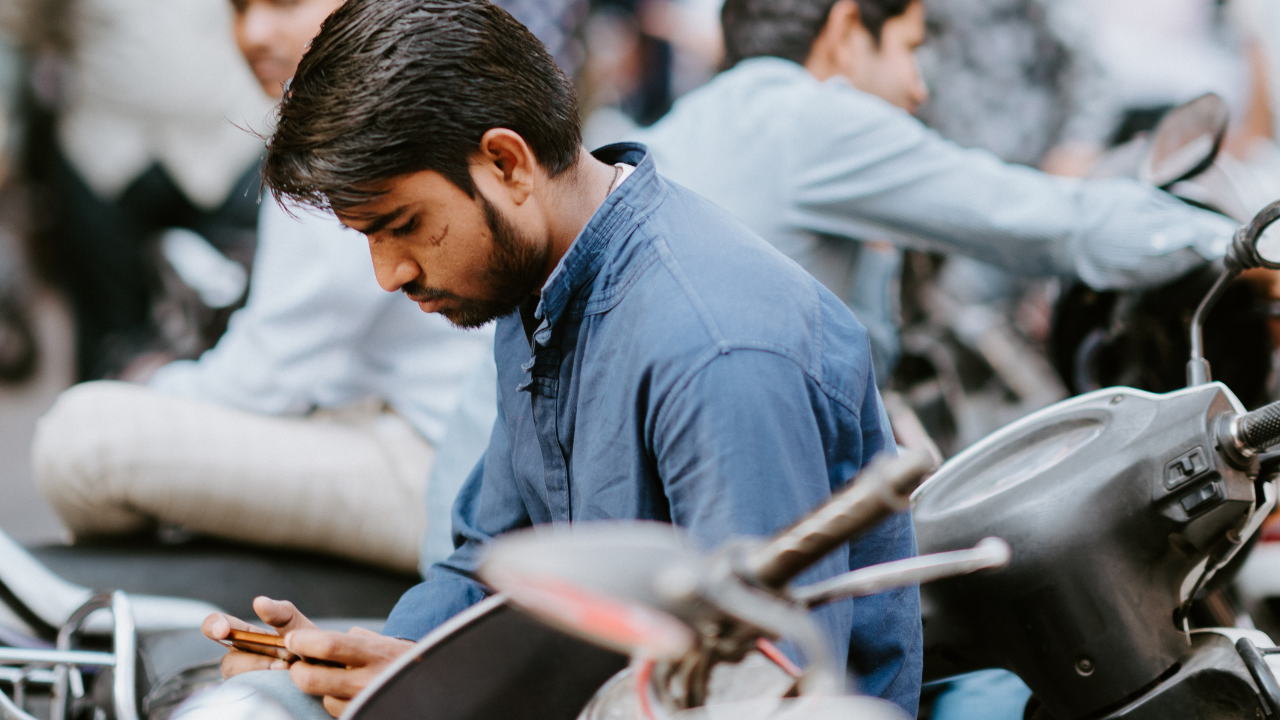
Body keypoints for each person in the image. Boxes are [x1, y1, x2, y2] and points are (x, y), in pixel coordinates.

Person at [196, 1, 919, 717]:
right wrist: (372, 666)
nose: (390, 273)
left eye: (405, 226)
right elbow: (487, 564)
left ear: (507, 164)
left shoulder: (718, 350)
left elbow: (757, 689)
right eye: (369, 240)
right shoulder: (540, 287)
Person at [30, 0, 493, 573]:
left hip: (435, 471)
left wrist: (150, 389)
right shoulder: (378, 95)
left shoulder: (364, 120)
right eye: (239, 8)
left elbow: (263, 381)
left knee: (81, 440)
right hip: (398, 436)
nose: (253, 34)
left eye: (284, 4)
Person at [629, 0, 1239, 381]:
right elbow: (1047, 223)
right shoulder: (812, 119)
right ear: (846, 30)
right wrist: (1235, 241)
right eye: (911, 50)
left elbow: (871, 363)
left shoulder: (691, 123)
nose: (919, 89)